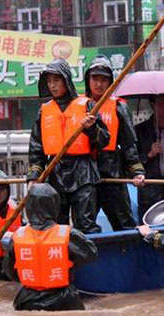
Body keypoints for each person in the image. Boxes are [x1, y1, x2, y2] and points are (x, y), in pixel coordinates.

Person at [26, 58, 110, 233]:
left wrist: (91, 128)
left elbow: (104, 140)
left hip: (83, 172)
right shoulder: (44, 110)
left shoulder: (87, 105)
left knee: (86, 224)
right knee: (57, 225)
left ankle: (90, 260)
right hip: (55, 172)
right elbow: (36, 147)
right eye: (49, 81)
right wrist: (34, 175)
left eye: (56, 80)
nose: (52, 85)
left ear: (66, 80)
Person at [2, 183, 98, 311]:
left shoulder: (17, 236)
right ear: (54, 205)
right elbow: (91, 254)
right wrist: (68, 265)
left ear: (28, 207)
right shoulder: (68, 234)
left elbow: (8, 269)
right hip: (63, 299)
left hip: (28, 299)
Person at [84, 55, 146, 230]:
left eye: (104, 79)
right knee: (84, 225)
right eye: (95, 78)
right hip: (85, 174)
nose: (99, 84)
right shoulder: (78, 105)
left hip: (112, 172)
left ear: (110, 81)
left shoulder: (119, 106)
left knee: (124, 222)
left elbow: (128, 144)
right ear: (88, 80)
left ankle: (129, 255)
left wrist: (137, 171)